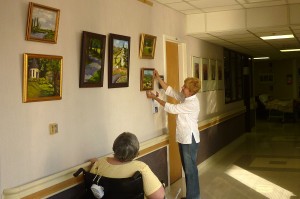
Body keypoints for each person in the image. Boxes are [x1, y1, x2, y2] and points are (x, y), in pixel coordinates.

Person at [146, 70, 201, 199]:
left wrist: (155, 98)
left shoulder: (191, 103)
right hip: (184, 138)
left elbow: (172, 108)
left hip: (189, 139)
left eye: (185, 87)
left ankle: (193, 197)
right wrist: (158, 78)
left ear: (191, 91)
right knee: (188, 169)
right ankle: (192, 196)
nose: (182, 88)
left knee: (190, 170)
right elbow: (172, 92)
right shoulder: (186, 98)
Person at [90, 132, 165, 199]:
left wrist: (97, 162)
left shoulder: (99, 164)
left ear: (114, 147)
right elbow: (158, 196)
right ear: (136, 152)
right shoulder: (141, 168)